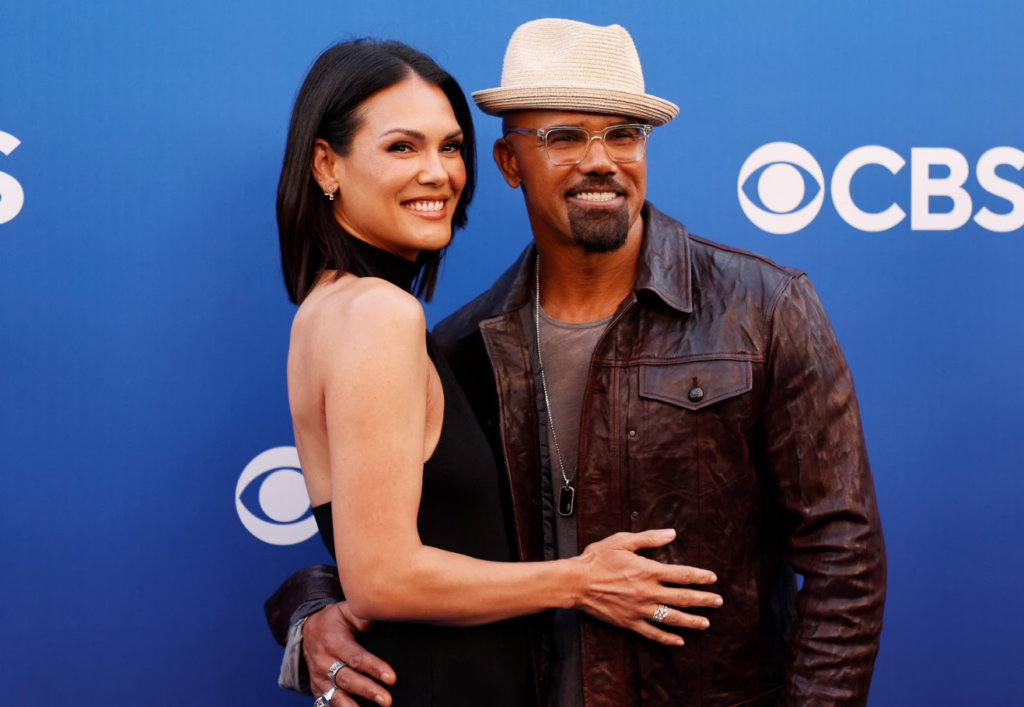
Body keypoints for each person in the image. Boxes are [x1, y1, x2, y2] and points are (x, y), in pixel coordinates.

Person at [269, 21, 887, 707]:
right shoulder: (465, 344)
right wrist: (312, 606)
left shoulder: (762, 308)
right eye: (564, 137)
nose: (602, 159)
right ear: (508, 162)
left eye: (624, 134)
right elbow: (400, 546)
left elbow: (845, 560)